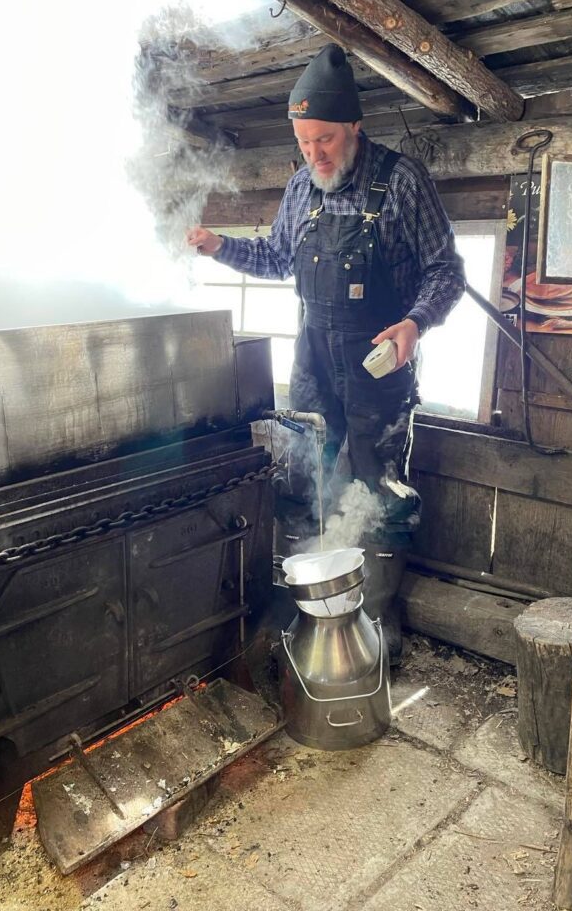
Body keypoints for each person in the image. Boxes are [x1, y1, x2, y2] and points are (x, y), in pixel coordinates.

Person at [188, 43, 465, 661]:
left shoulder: (400, 182)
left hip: (378, 374)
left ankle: (373, 628)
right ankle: (311, 618)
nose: (314, 154)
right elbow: (273, 258)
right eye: (304, 142)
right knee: (307, 489)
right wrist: (217, 248)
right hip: (313, 372)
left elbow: (446, 273)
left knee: (377, 496)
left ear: (354, 129)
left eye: (325, 141)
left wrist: (415, 325)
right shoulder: (299, 190)